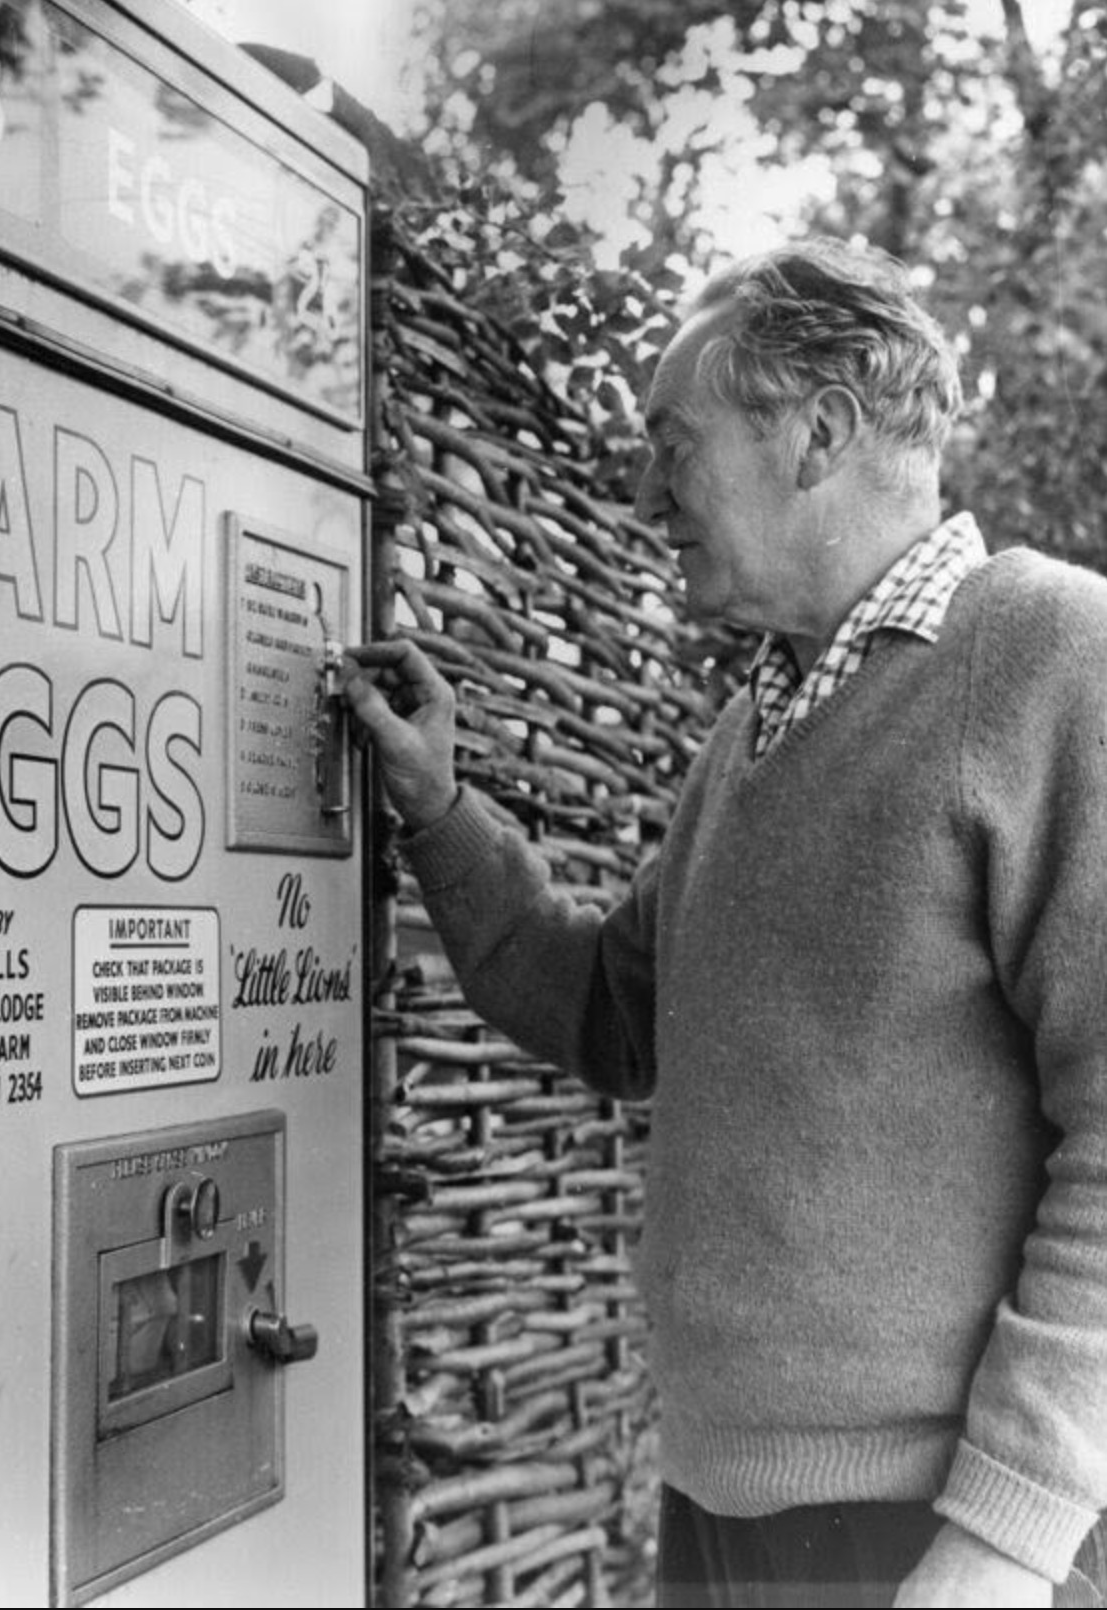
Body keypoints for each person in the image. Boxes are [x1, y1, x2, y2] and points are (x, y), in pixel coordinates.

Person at [342, 238, 1107, 1609]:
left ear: (816, 433)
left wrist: (1010, 1531)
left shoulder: (1057, 657)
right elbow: (608, 1011)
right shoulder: (755, 730)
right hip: (719, 1507)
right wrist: (439, 809)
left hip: (937, 1537)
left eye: (673, 446)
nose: (647, 496)